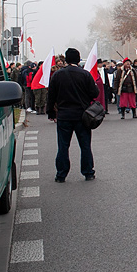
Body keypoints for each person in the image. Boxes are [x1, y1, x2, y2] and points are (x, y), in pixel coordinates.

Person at [46, 47, 99, 182]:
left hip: (64, 115)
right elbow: (95, 93)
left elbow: (51, 95)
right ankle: (88, 172)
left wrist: (50, 111)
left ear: (66, 59)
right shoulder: (85, 74)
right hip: (82, 116)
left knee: (63, 146)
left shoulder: (58, 75)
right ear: (78, 59)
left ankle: (61, 174)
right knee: (85, 145)